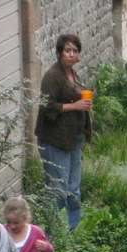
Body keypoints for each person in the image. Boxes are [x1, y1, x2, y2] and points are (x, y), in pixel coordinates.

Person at [35, 33, 92, 231]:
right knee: (58, 189)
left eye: (75, 51)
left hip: (73, 138)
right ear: (59, 53)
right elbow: (47, 106)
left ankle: (72, 231)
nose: (71, 54)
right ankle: (55, 231)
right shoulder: (53, 76)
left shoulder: (73, 74)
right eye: (67, 50)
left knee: (73, 188)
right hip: (55, 140)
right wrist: (75, 106)